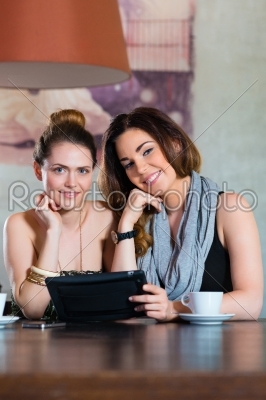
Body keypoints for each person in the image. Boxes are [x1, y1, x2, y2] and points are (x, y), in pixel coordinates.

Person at [98, 107, 263, 322]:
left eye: (147, 151)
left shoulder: (229, 207)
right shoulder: (130, 220)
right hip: (148, 351)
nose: (141, 168)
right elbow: (123, 305)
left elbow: (251, 303)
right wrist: (127, 224)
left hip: (217, 351)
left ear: (175, 143)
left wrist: (174, 309)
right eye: (129, 164)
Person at [4, 109, 116, 320]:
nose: (72, 183)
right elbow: (34, 309)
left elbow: (122, 303)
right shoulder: (19, 225)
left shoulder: (107, 217)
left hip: (98, 347)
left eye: (82, 170)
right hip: (36, 349)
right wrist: (53, 231)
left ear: (93, 170)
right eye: (59, 170)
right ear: (38, 170)